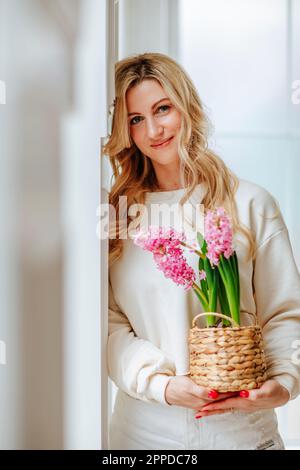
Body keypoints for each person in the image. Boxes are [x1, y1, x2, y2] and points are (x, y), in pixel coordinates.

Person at [102, 52, 300, 450]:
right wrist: (164, 386)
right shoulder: (117, 216)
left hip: (242, 432)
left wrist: (283, 383)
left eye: (163, 109)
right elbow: (107, 324)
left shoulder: (250, 203)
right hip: (144, 433)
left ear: (186, 107)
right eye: (136, 119)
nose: (154, 129)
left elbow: (285, 312)